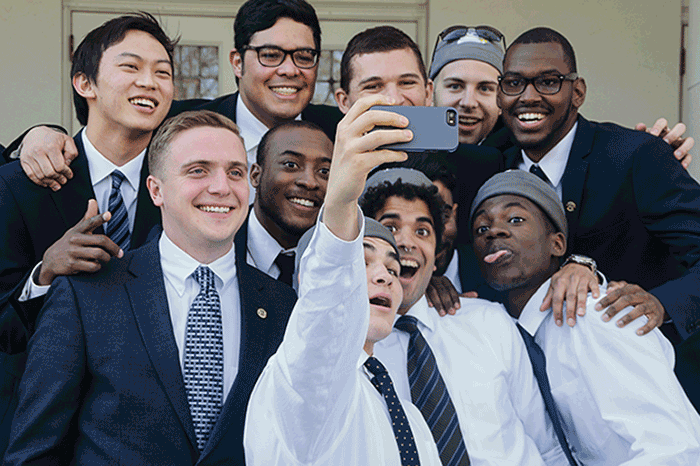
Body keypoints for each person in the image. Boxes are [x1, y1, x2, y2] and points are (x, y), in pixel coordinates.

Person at [4, 110, 296, 465]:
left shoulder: (284, 306)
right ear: (156, 190)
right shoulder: (86, 295)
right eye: (198, 170)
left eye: (235, 172)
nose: (222, 187)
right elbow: (35, 451)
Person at [493, 27, 700, 407]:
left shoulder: (635, 157)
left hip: (640, 392)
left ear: (578, 92)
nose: (529, 96)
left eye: (548, 82)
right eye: (514, 83)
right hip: (529, 396)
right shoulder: (489, 163)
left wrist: (663, 304)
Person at [0, 12, 175, 457]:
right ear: (85, 83)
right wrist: (44, 273)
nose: (149, 82)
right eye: (130, 67)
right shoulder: (18, 186)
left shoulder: (181, 192)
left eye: (162, 72)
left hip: (144, 437)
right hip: (35, 427)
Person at [245, 94, 442, 465]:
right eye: (361, 262)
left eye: (393, 268)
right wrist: (339, 201)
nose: (383, 276)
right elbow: (326, 308)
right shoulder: (305, 378)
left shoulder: (407, 413)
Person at [470, 169, 700, 463]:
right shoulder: (508, 336)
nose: (495, 231)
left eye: (516, 219)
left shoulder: (597, 314)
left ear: (558, 244)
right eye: (481, 229)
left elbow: (672, 449)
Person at [4, 0, 342, 199]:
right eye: (270, 54)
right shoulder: (182, 122)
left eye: (303, 55)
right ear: (237, 62)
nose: (289, 70)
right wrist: (40, 133)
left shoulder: (338, 133)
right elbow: (111, 122)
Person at [360, 167, 570, 465]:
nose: (406, 242)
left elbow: (547, 446)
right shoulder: (349, 350)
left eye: (423, 231)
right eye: (390, 228)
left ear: (435, 257)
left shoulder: (489, 322)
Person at [233, 120, 332, 285]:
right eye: (291, 165)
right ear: (256, 176)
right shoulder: (214, 246)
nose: (310, 182)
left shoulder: (343, 259)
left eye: (324, 171)